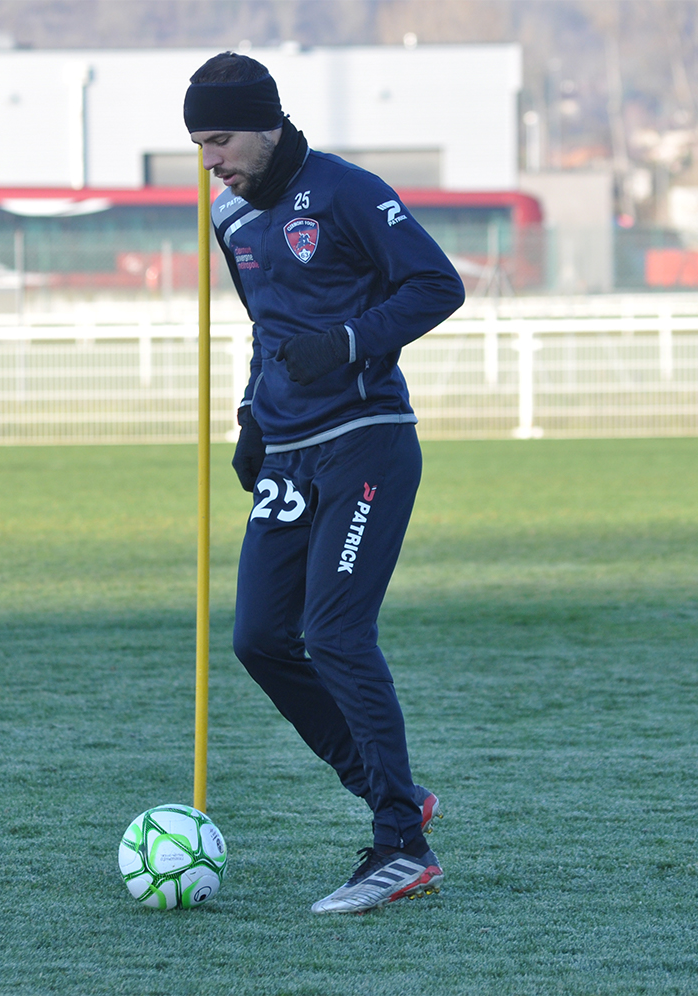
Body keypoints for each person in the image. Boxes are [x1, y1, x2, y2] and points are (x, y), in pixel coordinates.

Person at [185, 52, 465, 914]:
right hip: (289, 452)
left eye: (221, 138)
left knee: (335, 633)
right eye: (198, 142)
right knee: (260, 639)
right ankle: (396, 793)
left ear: (268, 123)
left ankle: (400, 846)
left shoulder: (344, 191)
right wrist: (250, 414)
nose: (210, 160)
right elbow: (268, 329)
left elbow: (437, 285)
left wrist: (347, 343)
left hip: (365, 444)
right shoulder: (230, 216)